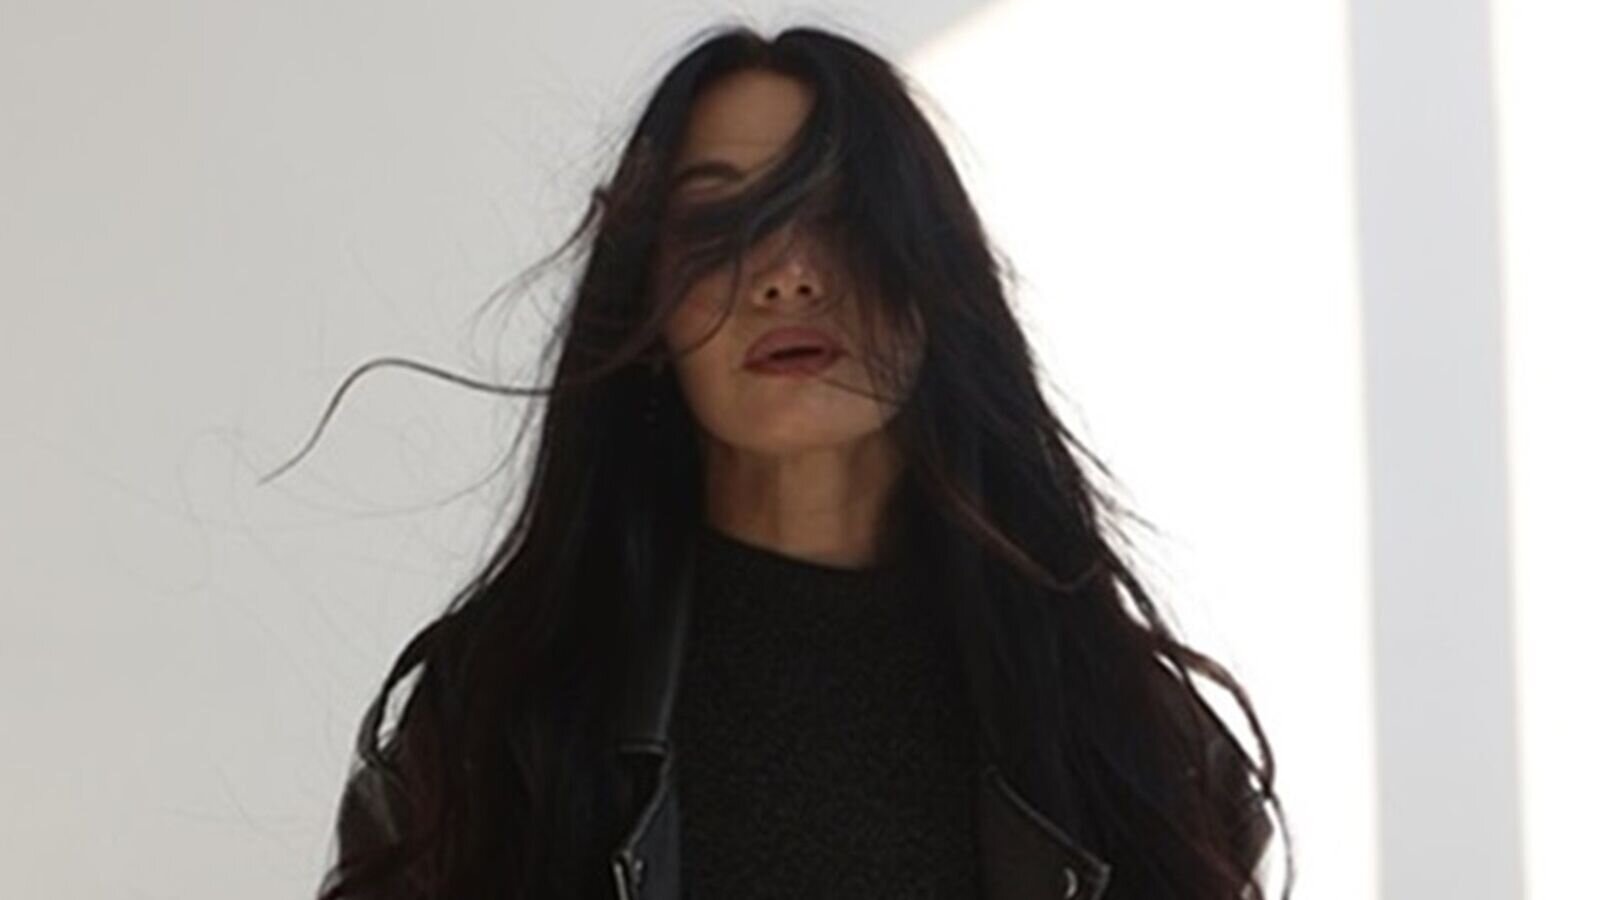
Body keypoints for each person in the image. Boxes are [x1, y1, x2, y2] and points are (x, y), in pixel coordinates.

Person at [301, 21, 1289, 900]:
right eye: (718, 226)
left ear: (932, 273)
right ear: (648, 299)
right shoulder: (493, 737)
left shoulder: (1132, 743)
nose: (786, 275)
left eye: (842, 214)